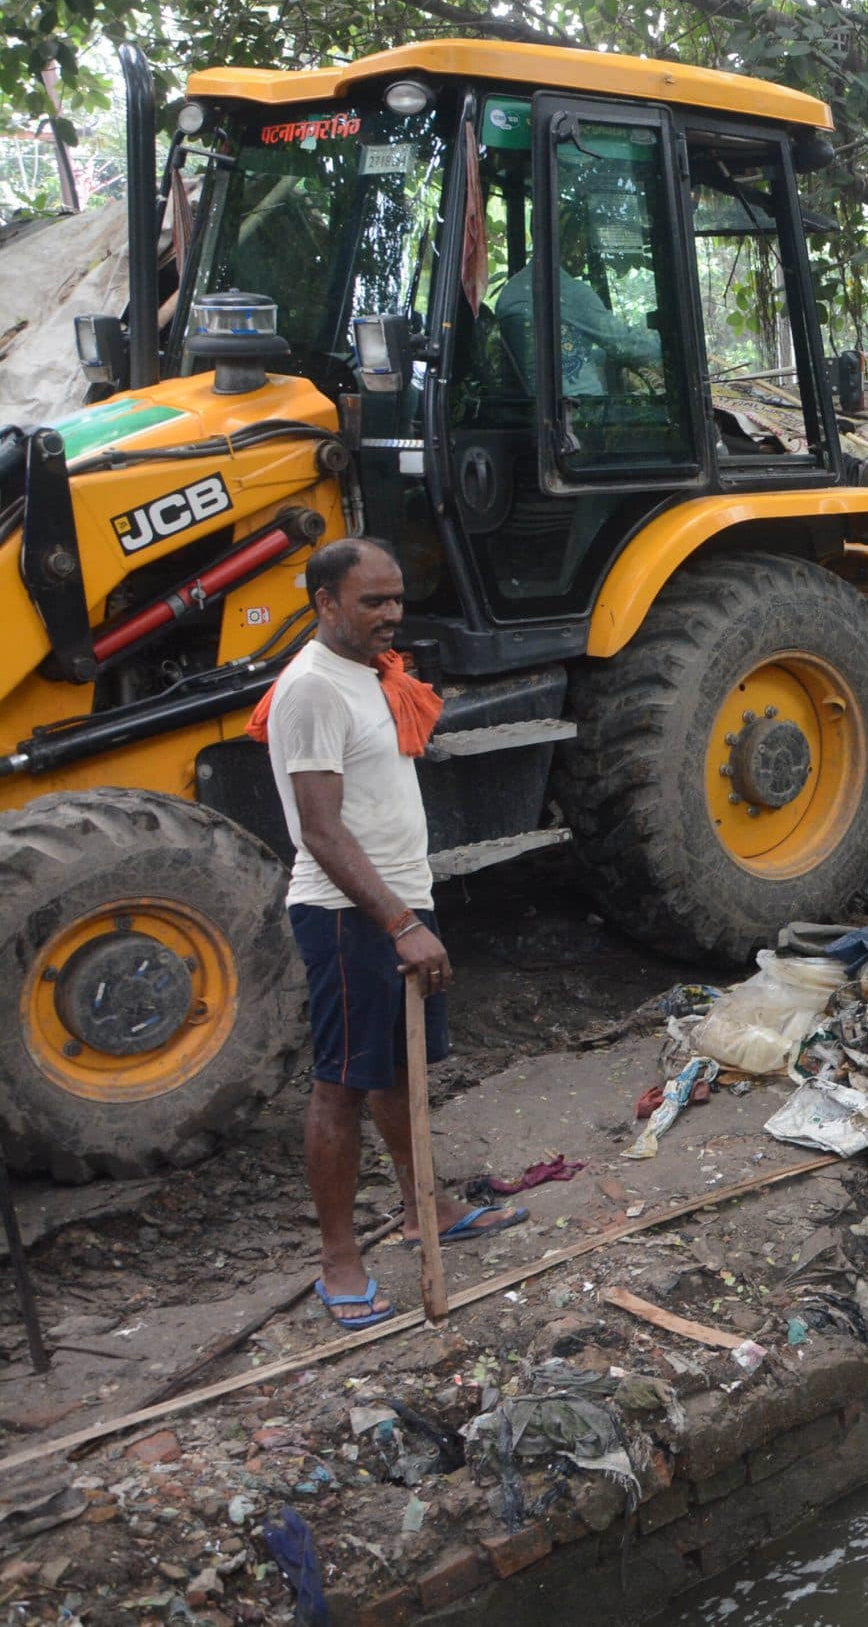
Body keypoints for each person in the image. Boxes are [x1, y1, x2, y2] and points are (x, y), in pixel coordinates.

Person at [252, 539, 524, 1332]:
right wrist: (400, 925)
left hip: (399, 901)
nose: (391, 615)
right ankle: (340, 1261)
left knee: (397, 1074)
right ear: (324, 603)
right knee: (340, 1085)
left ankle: (424, 1209)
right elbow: (322, 832)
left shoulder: (369, 675)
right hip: (349, 916)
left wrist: (412, 912)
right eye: (371, 602)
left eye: (396, 599)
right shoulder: (311, 690)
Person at [493, 210, 662, 397]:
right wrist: (667, 346)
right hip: (581, 411)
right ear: (562, 243)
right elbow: (625, 344)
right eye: (581, 245)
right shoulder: (567, 291)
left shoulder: (517, 286)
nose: (584, 255)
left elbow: (559, 355)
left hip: (550, 404)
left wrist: (605, 356)